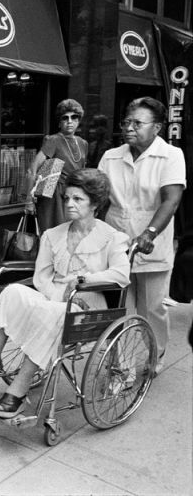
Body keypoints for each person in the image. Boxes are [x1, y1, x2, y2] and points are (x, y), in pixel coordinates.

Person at [0, 169, 130, 418]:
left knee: (52, 311)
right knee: (12, 291)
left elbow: (121, 275)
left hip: (88, 305)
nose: (69, 204)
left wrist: (83, 279)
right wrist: (58, 293)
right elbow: (42, 277)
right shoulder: (53, 235)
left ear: (95, 204)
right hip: (55, 296)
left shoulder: (112, 238)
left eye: (78, 199)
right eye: (67, 198)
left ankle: (19, 389)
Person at [98, 97, 186, 374]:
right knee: (120, 310)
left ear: (157, 127)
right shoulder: (111, 156)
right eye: (127, 122)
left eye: (138, 123)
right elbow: (98, 197)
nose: (129, 128)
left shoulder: (171, 155)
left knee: (153, 309)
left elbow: (170, 200)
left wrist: (149, 233)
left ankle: (154, 355)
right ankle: (121, 369)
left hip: (151, 244)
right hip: (116, 244)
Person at [25, 99, 88, 231]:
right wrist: (29, 200)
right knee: (53, 234)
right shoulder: (54, 140)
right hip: (54, 195)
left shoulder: (83, 143)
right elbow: (33, 169)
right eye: (65, 118)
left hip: (74, 193)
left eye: (74, 117)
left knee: (71, 233)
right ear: (59, 123)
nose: (70, 121)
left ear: (79, 120)